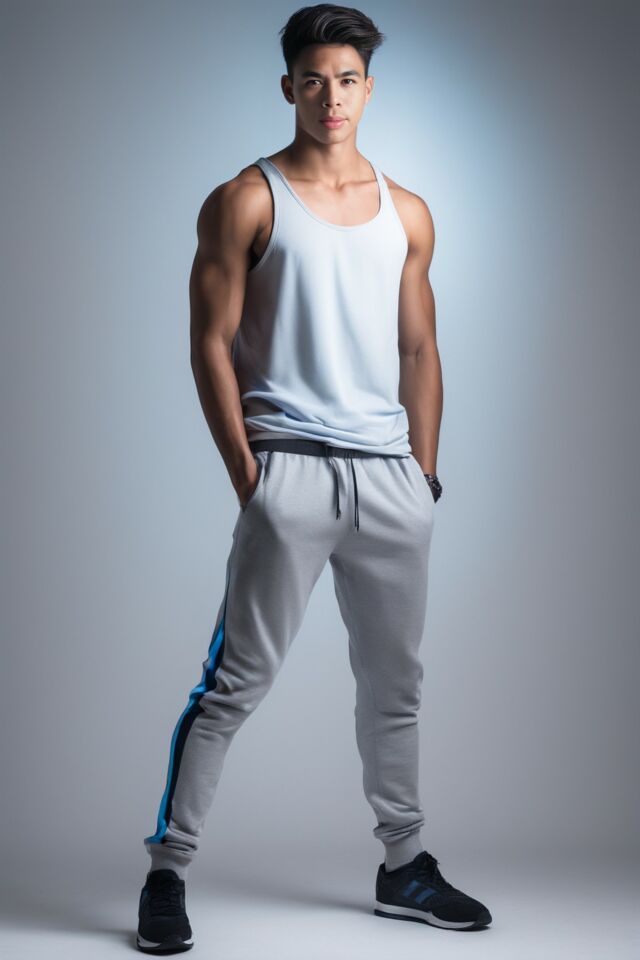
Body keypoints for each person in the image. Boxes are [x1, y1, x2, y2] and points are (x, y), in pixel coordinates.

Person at [136, 3, 491, 953]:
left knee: (394, 687)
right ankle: (167, 871)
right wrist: (249, 476)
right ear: (288, 86)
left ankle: (404, 866)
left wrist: (424, 476)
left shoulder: (407, 211)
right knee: (234, 684)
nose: (331, 97)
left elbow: (419, 347)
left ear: (368, 89)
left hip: (389, 480)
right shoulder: (245, 200)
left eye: (347, 80)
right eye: (314, 80)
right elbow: (209, 343)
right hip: (288, 471)